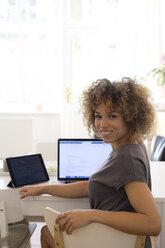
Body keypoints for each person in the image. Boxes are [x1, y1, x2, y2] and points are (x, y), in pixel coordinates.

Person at [19, 77, 161, 248]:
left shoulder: (126, 158)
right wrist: (45, 188)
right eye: (98, 116)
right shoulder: (130, 145)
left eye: (112, 116)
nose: (102, 124)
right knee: (48, 231)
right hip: (116, 237)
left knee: (47, 231)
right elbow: (97, 185)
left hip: (115, 240)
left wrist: (92, 215)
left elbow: (153, 223)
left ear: (130, 118)